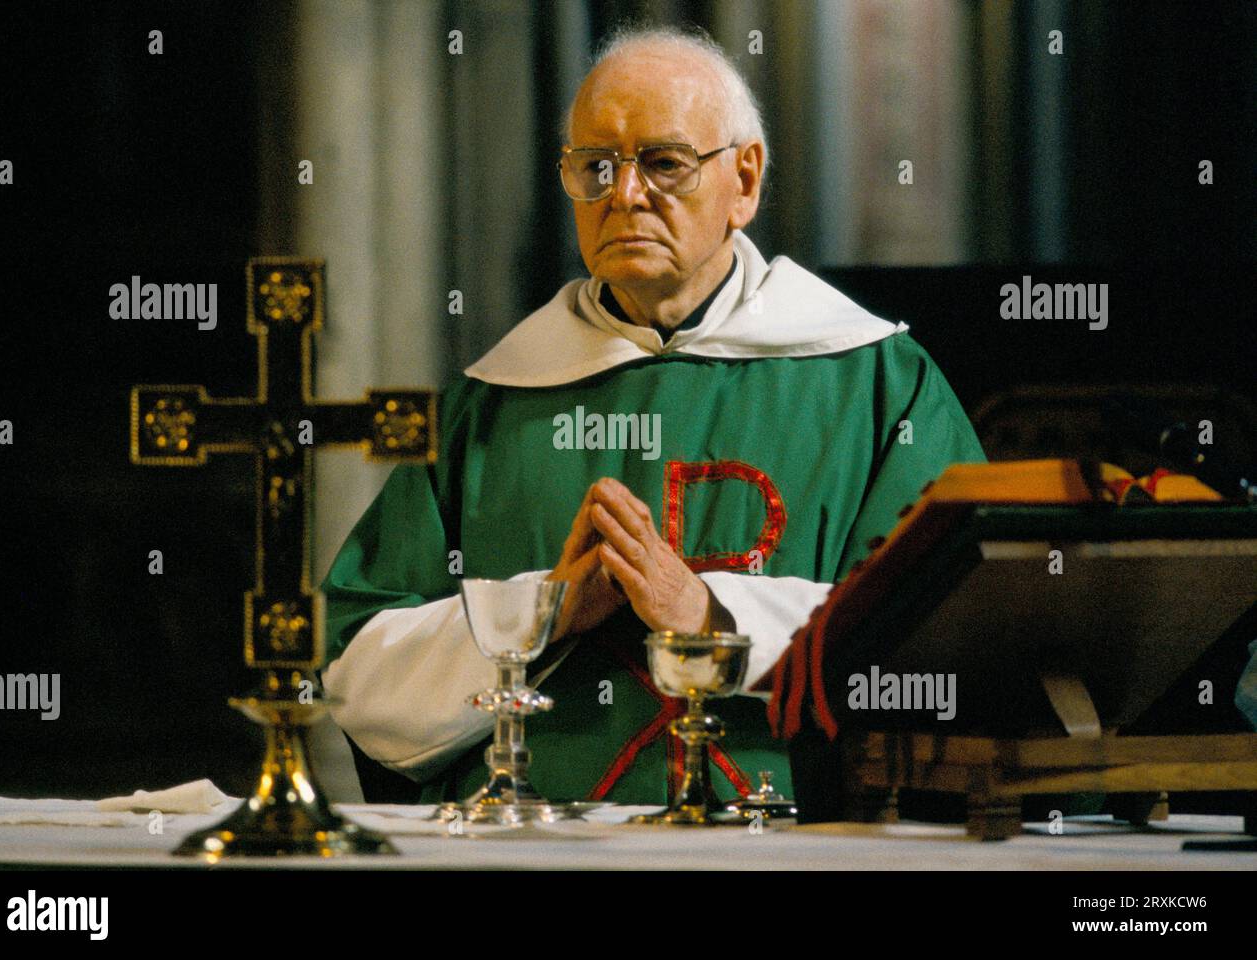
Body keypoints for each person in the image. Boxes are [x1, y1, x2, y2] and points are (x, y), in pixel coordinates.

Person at [320, 26, 985, 805]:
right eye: (595, 168)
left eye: (664, 163)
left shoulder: (876, 383)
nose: (625, 195)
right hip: (533, 859)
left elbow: (960, 640)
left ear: (745, 180)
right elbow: (355, 671)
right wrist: (545, 611)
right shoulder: (497, 401)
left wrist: (712, 615)